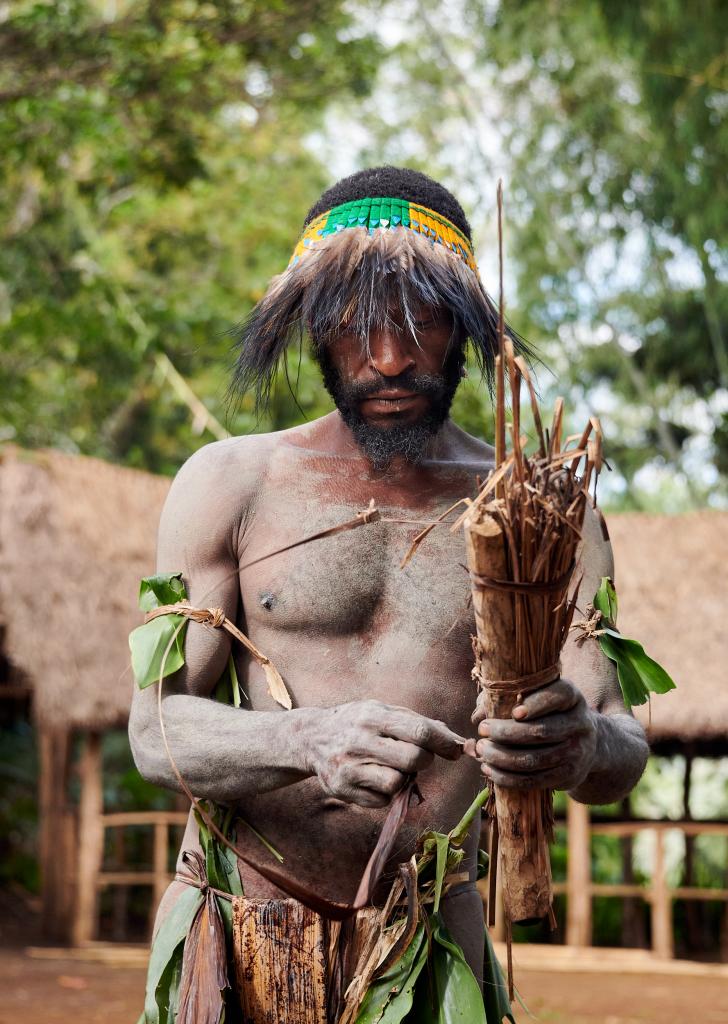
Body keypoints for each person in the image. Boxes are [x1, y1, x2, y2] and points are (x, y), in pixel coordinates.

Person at [129, 165, 649, 994]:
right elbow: (154, 734)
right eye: (353, 324)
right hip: (239, 933)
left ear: (468, 325)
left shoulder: (543, 515)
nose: (390, 357)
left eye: (424, 322)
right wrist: (301, 740)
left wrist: (580, 741)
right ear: (308, 327)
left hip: (435, 946)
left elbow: (623, 751)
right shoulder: (229, 485)